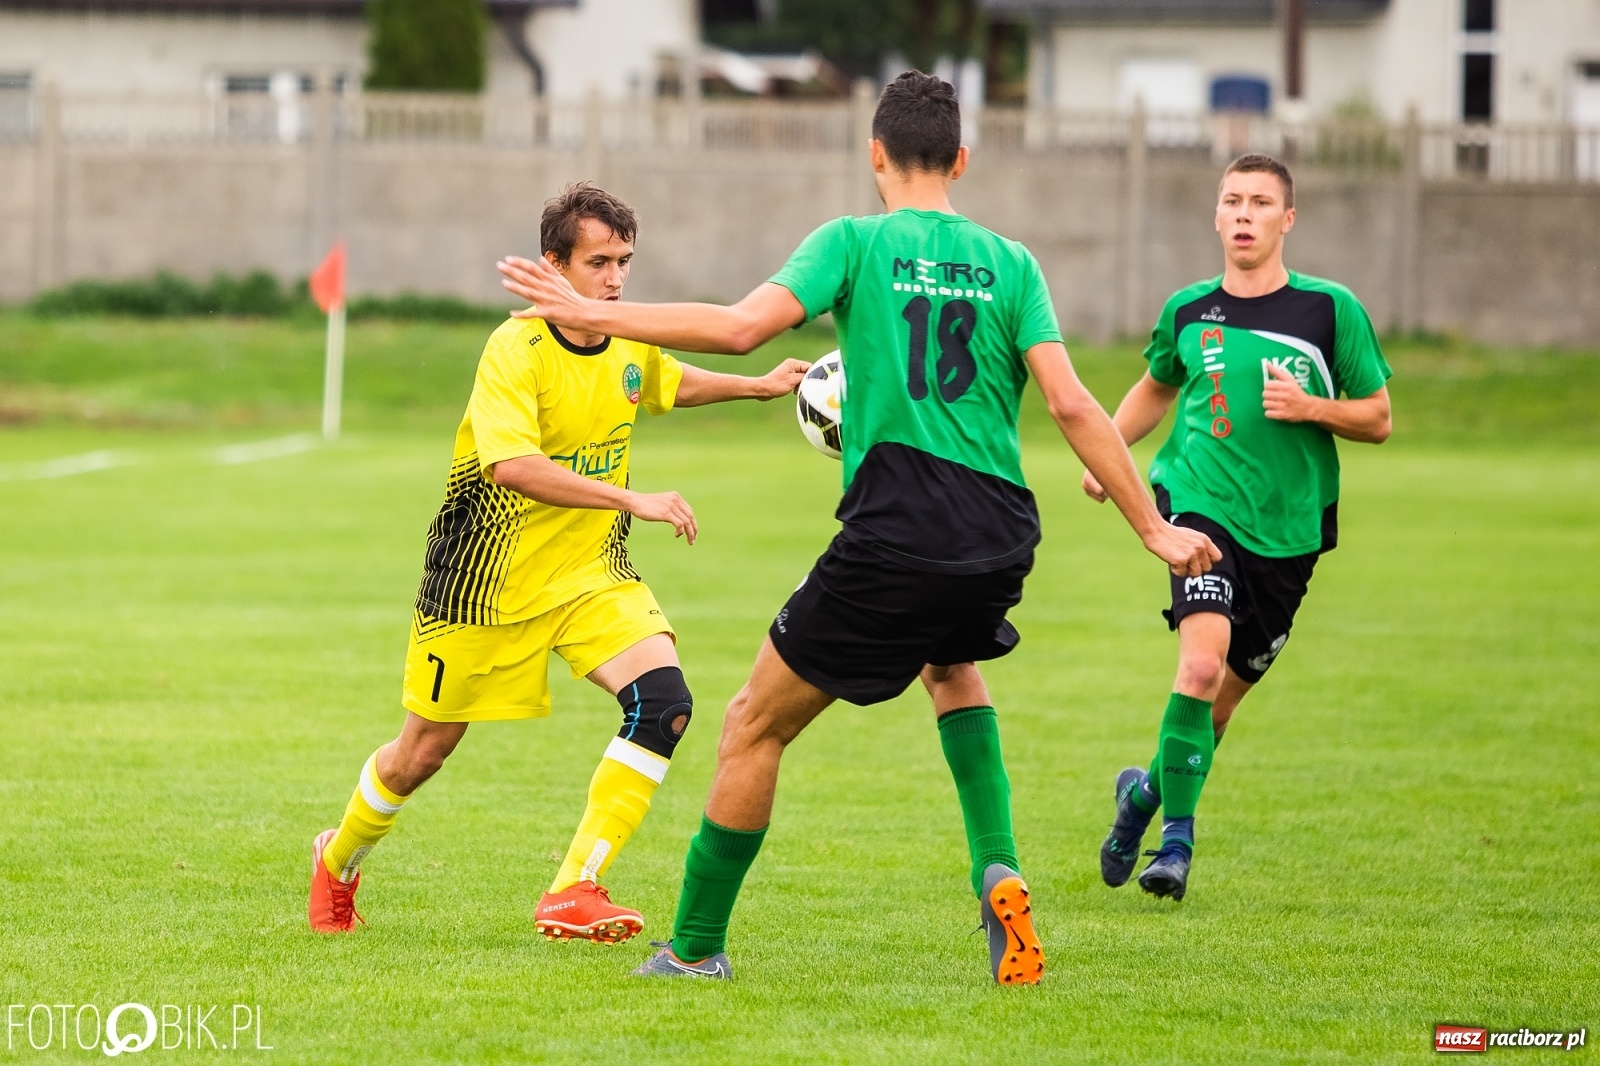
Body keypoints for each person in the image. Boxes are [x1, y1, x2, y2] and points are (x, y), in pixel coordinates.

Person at [497, 73, 1218, 983]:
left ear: (874, 155)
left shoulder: (852, 241)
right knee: (951, 667)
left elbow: (740, 328)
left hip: (898, 528)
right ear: (961, 159)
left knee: (753, 725)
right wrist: (1151, 527)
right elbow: (1073, 405)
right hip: (1000, 529)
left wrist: (589, 310)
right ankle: (1001, 874)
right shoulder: (1013, 261)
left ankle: (693, 948)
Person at [307, 182, 809, 941]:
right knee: (423, 752)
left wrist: (759, 385)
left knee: (665, 703)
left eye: (625, 262)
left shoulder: (626, 335)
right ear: (553, 265)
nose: (614, 279)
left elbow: (664, 382)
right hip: (483, 585)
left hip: (589, 576)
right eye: (598, 262)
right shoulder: (515, 350)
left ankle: (576, 885)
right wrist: (630, 500)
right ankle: (337, 857)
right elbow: (512, 465)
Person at [1090, 154, 1393, 902]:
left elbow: (1379, 418)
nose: (1246, 214)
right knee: (1197, 668)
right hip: (1197, 505)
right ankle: (1176, 849)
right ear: (1217, 217)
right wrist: (1109, 453)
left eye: (1262, 202)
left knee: (1215, 708)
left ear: (1287, 220)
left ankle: (1139, 801)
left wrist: (1314, 408)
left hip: (1289, 534)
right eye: (1233, 201)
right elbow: (1157, 385)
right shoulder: (1189, 311)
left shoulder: (1329, 310)